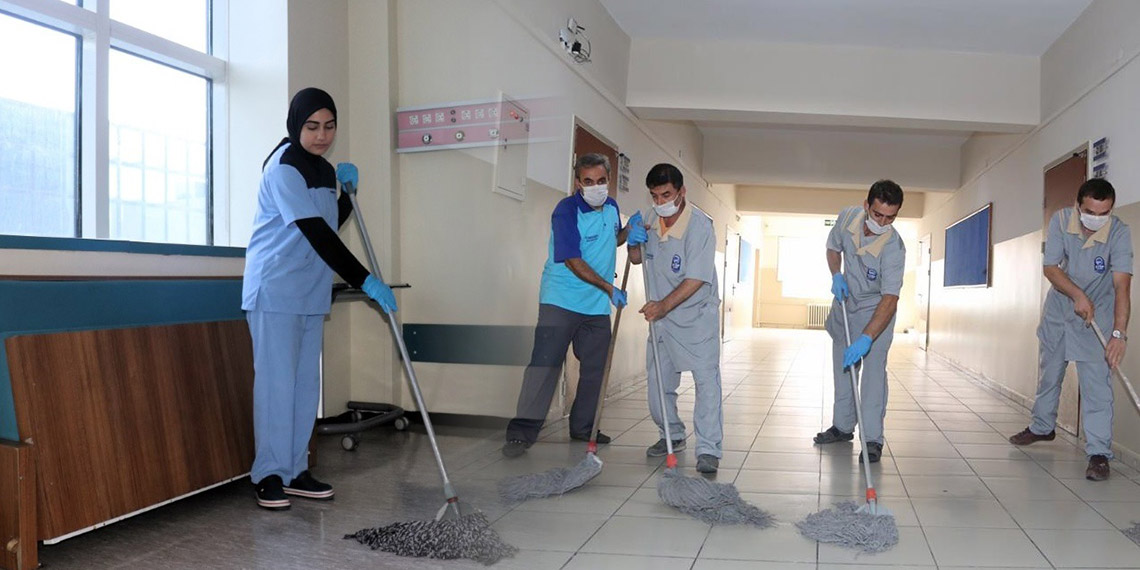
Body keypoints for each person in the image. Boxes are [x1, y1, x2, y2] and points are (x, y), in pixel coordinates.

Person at [242, 87, 398, 510]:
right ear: (296, 125)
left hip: (309, 293)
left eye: (329, 127)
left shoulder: (325, 171)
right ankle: (268, 474)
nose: (321, 135)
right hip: (274, 289)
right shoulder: (283, 168)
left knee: (305, 385)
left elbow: (330, 223)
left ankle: (295, 470)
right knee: (276, 386)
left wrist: (345, 195)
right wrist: (366, 280)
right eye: (312, 127)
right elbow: (317, 235)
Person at [503, 153, 638, 457]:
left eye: (601, 181)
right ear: (578, 183)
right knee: (544, 365)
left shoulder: (612, 207)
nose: (595, 187)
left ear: (609, 180)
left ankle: (583, 428)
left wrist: (629, 232)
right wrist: (608, 287)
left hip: (595, 307)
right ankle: (520, 434)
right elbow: (574, 261)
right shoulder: (565, 211)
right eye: (588, 181)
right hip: (560, 300)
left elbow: (610, 239)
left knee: (595, 368)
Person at [1009, 178, 1132, 481]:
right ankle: (1042, 427)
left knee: (1096, 388)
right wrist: (1077, 295)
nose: (1096, 219)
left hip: (1097, 319)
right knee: (1050, 374)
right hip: (1060, 313)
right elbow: (1051, 267)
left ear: (1111, 210)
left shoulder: (1119, 232)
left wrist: (1118, 334)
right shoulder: (1061, 221)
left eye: (1104, 213)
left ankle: (1099, 453)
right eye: (1090, 211)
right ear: (1079, 206)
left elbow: (1122, 286)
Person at [628, 163, 723, 474]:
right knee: (658, 385)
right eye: (654, 195)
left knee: (706, 382)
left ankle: (708, 449)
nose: (660, 201)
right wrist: (632, 241)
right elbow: (637, 258)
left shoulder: (700, 226)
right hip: (662, 318)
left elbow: (695, 279)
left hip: (695, 316)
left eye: (666, 194)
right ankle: (671, 434)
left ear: (682, 191)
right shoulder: (650, 217)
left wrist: (662, 306)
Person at [813, 180, 906, 464]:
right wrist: (836, 275)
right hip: (845, 303)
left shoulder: (894, 247)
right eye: (878, 214)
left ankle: (872, 439)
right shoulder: (848, 217)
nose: (883, 222)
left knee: (873, 375)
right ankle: (842, 427)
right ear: (867, 206)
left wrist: (867, 337)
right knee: (844, 370)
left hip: (877, 310)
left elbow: (890, 299)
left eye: (891, 217)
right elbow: (833, 248)